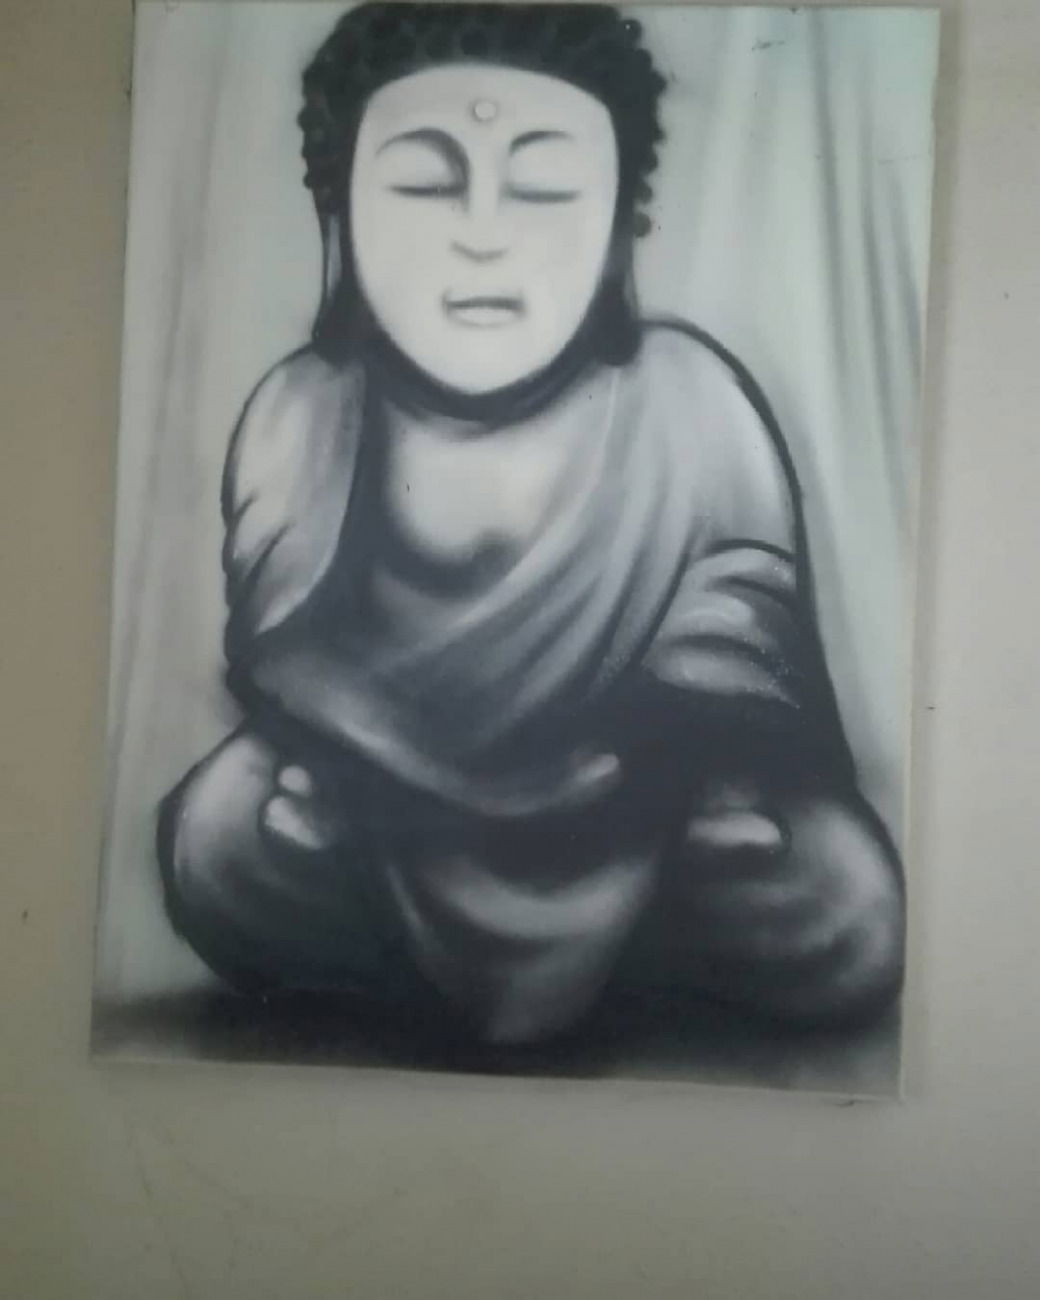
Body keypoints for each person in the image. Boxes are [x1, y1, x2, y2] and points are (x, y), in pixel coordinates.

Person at [158, 3, 905, 1047]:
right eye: (424, 184)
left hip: (637, 810)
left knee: (842, 895)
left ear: (618, 225)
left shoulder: (691, 401)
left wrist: (679, 780)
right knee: (221, 837)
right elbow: (286, 659)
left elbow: (741, 651)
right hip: (387, 815)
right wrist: (425, 783)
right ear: (338, 210)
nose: (483, 231)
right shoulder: (306, 408)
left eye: (544, 186)